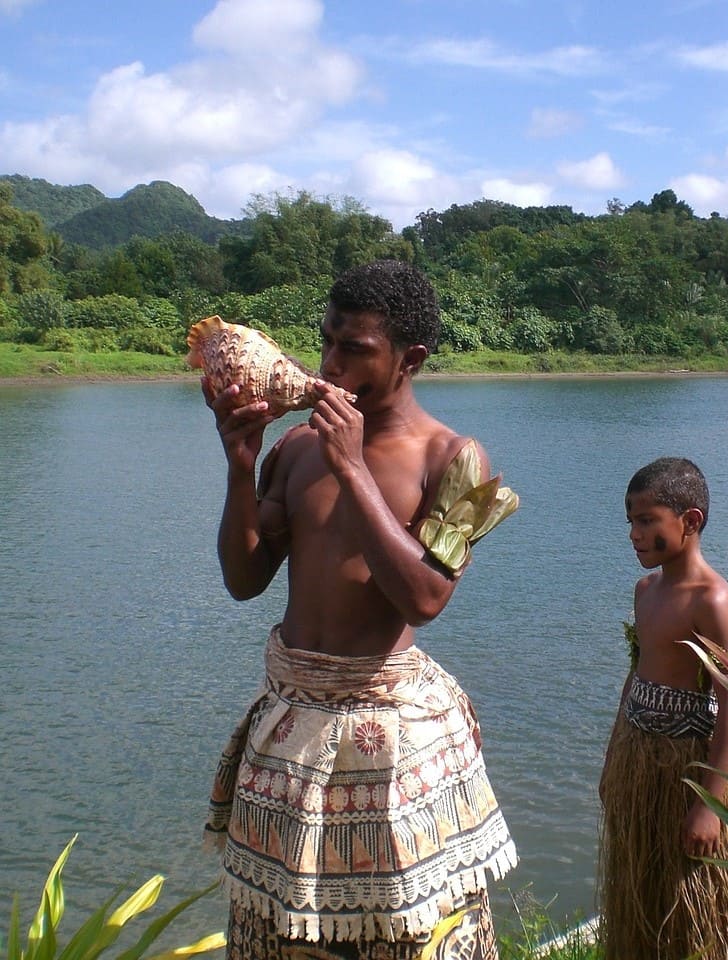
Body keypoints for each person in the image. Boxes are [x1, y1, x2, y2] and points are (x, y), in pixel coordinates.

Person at [201, 260, 519, 960]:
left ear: (411, 358)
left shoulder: (452, 458)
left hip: (389, 736)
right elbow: (244, 578)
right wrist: (239, 466)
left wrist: (353, 470)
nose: (328, 363)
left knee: (405, 936)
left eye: (355, 349)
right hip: (293, 724)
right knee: (280, 934)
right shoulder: (296, 447)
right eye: (326, 341)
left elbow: (425, 597)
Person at [597, 457, 728, 960]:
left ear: (690, 522)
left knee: (690, 905)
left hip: (689, 770)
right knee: (641, 888)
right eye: (630, 520)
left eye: (647, 520)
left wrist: (710, 804)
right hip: (638, 759)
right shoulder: (646, 591)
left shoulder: (711, 599)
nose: (634, 534)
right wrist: (611, 760)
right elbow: (636, 672)